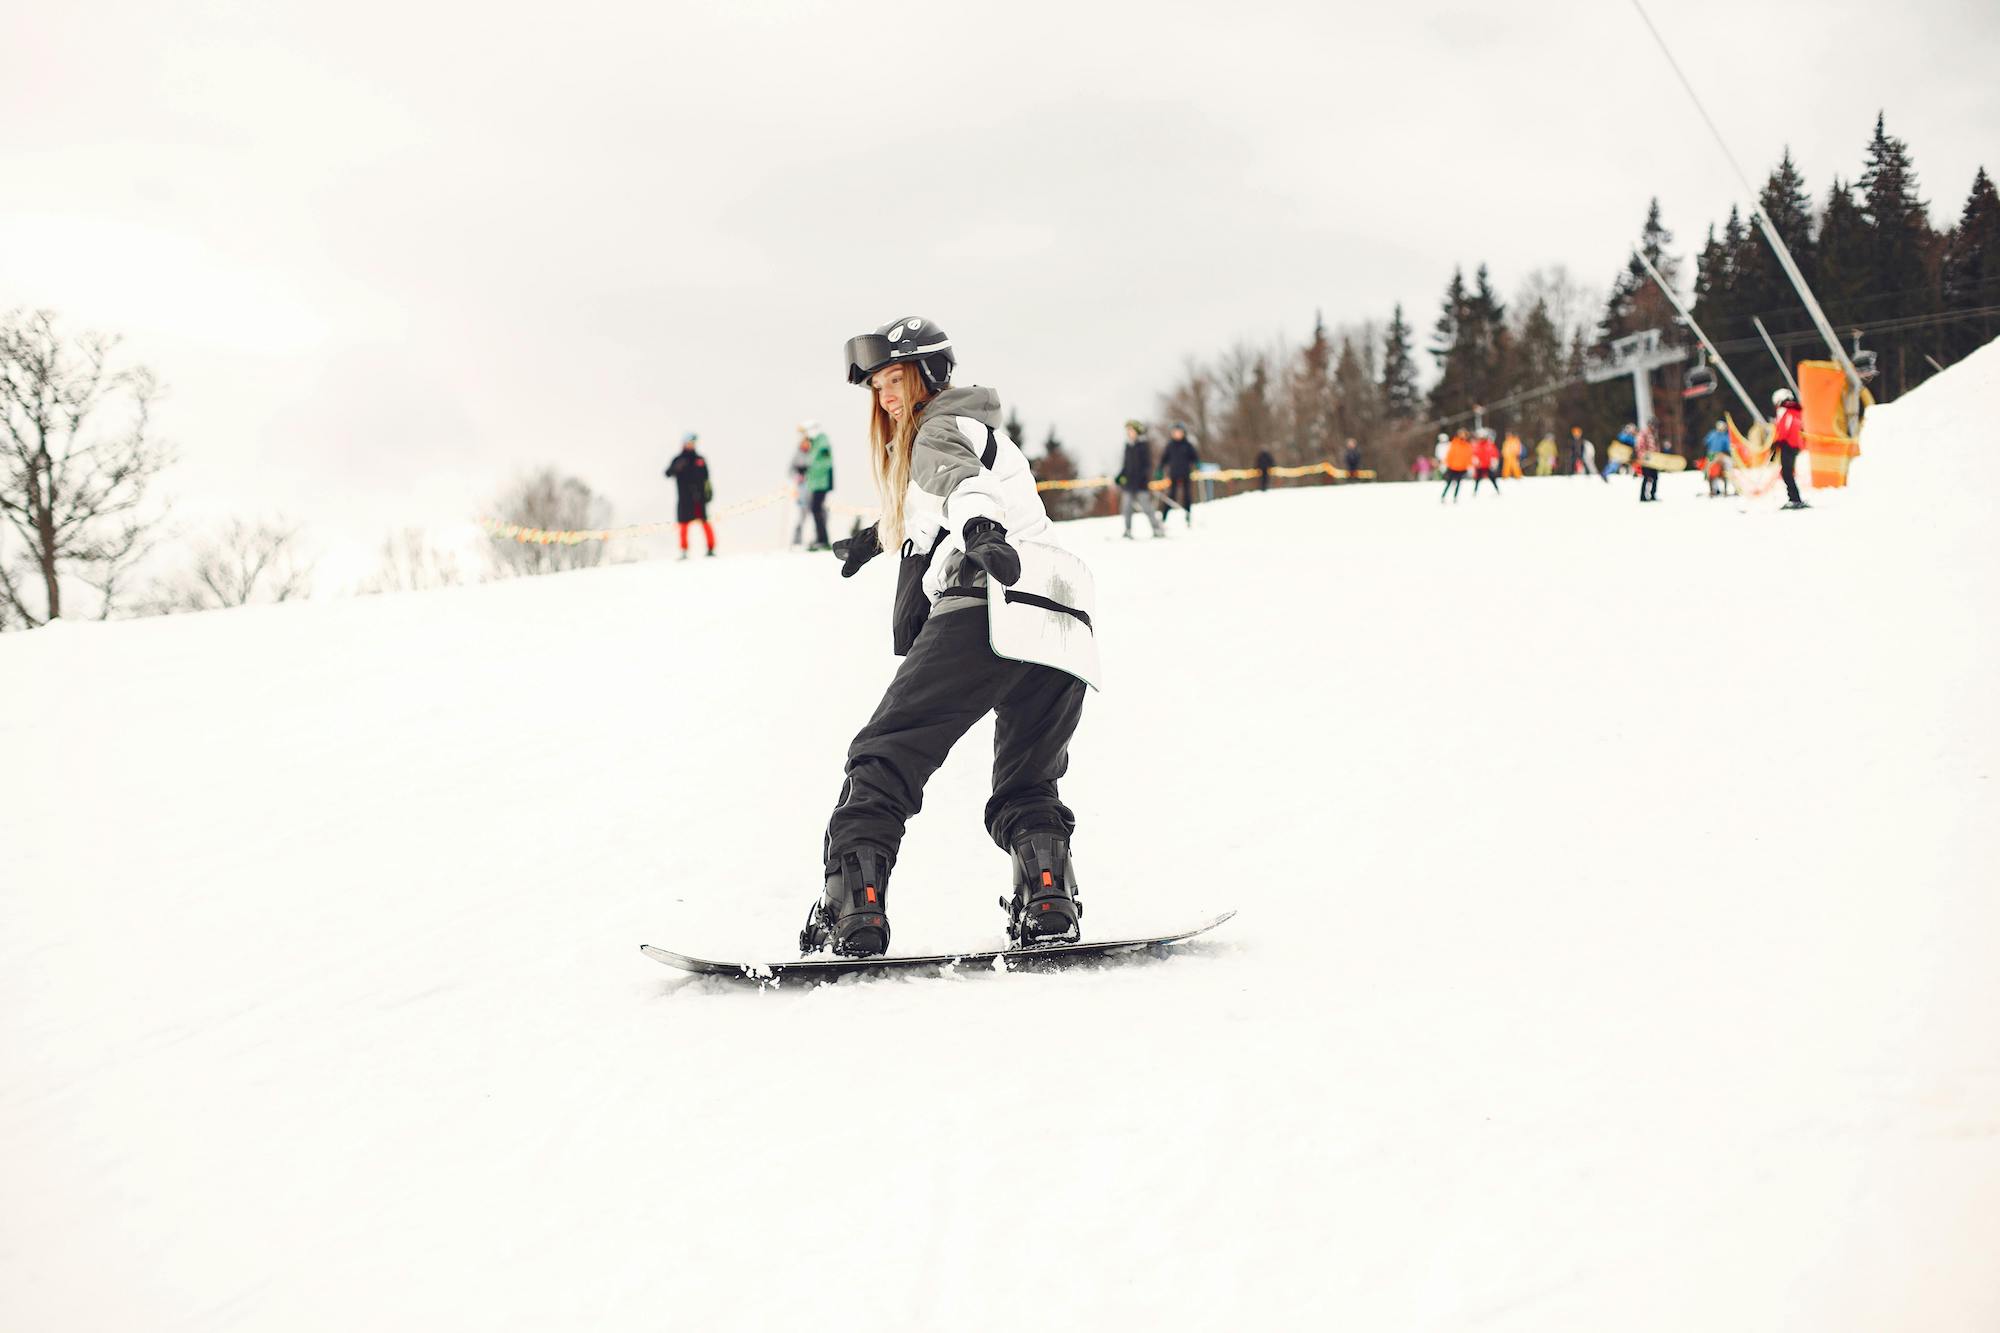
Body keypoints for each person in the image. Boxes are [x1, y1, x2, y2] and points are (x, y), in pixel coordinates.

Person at [806, 316, 1095, 957]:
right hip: (1061, 614)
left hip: (988, 603)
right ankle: (1046, 895)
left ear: (928, 375)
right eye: (876, 385)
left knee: (885, 754)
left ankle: (854, 908)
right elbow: (932, 504)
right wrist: (873, 542)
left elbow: (965, 488)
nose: (884, 396)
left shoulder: (939, 428)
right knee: (1028, 781)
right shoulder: (982, 429)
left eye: (894, 378)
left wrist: (982, 533)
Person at [664, 432, 715, 558]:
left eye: (693, 443)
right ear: (684, 444)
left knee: (705, 522)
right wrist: (676, 468)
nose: (691, 445)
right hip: (684, 499)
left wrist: (708, 493)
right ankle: (684, 551)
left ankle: (710, 548)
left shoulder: (700, 460)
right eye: (689, 443)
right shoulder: (678, 459)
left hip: (699, 498)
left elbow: (707, 479)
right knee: (683, 525)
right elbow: (667, 473)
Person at [1117, 420, 1166, 538]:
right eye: (1128, 431)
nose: (1129, 433)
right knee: (1126, 507)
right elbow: (1125, 465)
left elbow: (1147, 465)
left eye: (1131, 430)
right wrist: (1120, 476)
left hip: (1141, 484)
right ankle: (1128, 530)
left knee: (1147, 507)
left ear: (1137, 431)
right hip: (1128, 484)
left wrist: (1142, 478)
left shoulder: (1143, 446)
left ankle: (1157, 529)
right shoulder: (1128, 446)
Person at [1772, 387, 1810, 509]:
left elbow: (1784, 427)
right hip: (1795, 445)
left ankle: (1794, 498)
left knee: (1787, 473)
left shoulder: (1785, 410)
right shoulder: (1796, 411)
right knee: (1788, 473)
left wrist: (1778, 441)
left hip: (1787, 444)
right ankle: (1795, 497)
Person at [802, 420, 834, 550]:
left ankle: (822, 540)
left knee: (816, 509)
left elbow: (826, 462)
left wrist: (809, 469)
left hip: (821, 483)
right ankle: (820, 539)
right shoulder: (815, 443)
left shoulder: (822, 442)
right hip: (816, 483)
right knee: (816, 510)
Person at [1160, 423, 1200, 526]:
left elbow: (1194, 457)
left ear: (1183, 433)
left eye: (1179, 432)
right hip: (1173, 474)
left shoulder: (1187, 445)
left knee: (1187, 496)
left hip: (1186, 474)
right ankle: (1164, 518)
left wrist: (1197, 463)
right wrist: (1159, 469)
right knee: (1171, 496)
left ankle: (1188, 516)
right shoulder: (1170, 446)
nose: (1177, 434)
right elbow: (1164, 459)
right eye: (1175, 432)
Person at [787, 437, 813, 547]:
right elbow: (790, 471)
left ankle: (817, 538)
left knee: (818, 514)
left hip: (813, 489)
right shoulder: (797, 455)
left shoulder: (813, 454)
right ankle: (797, 539)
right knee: (801, 515)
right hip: (802, 489)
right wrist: (798, 477)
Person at [1702, 418, 1732, 498]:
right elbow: (1728, 447)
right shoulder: (1717, 434)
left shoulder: (1717, 434)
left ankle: (1718, 487)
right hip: (1715, 454)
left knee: (1726, 466)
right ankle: (1715, 487)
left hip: (1715, 454)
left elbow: (1705, 441)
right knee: (1710, 468)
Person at [1440, 430, 1472, 503]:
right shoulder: (1454, 444)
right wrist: (1446, 464)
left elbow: (1469, 457)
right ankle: (1443, 496)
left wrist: (1469, 466)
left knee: (1458, 484)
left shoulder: (1467, 446)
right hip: (1452, 467)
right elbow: (1449, 455)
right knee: (1449, 483)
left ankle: (1455, 497)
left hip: (1462, 468)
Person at [1471, 429, 1501, 496]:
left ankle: (1497, 490)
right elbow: (1474, 455)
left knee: (1492, 479)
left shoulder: (1489, 445)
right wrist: (1475, 462)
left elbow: (1494, 454)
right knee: (1477, 480)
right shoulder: (1477, 445)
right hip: (1480, 466)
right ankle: (1475, 491)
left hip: (1487, 465)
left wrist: (1494, 462)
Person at [1636, 423, 1660, 502]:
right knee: (1646, 477)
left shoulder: (1654, 435)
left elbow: (1655, 447)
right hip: (1645, 460)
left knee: (1655, 477)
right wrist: (1643, 455)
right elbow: (1640, 446)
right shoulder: (1643, 434)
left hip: (1653, 460)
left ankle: (1652, 495)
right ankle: (1643, 496)